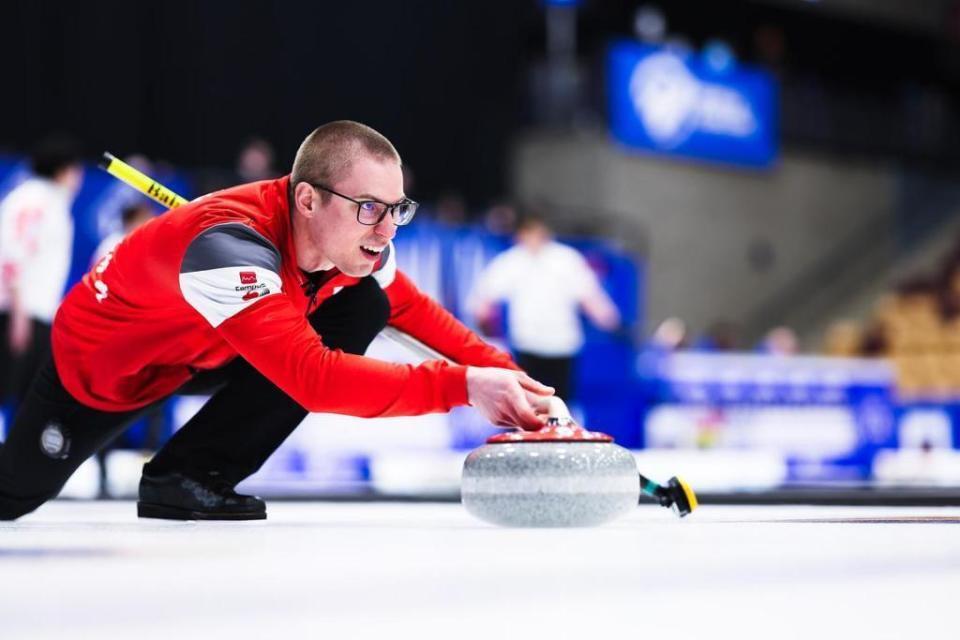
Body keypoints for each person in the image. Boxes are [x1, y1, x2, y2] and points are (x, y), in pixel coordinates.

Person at [0, 121, 553, 521]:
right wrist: (465, 386)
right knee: (14, 497)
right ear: (307, 199)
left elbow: (413, 313)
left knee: (367, 303)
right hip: (105, 369)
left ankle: (188, 476)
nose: (386, 230)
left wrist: (518, 383)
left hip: (206, 350)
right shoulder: (230, 247)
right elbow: (313, 378)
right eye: (369, 207)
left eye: (397, 209)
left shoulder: (353, 246)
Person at [469, 217, 620, 401]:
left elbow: (590, 297)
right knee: (529, 402)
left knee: (559, 403)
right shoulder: (511, 261)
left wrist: (610, 321)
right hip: (527, 346)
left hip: (561, 346)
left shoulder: (566, 259)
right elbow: (484, 299)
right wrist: (486, 330)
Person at [0, 135, 82, 412]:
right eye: (76, 170)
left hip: (35, 314)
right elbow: (13, 254)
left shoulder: (51, 202)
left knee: (27, 400)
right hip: (18, 313)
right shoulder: (35, 202)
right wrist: (18, 315)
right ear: (63, 170)